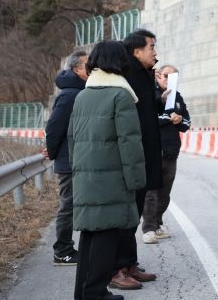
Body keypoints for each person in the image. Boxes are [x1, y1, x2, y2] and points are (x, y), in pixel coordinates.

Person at [68, 40, 146, 300]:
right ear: (119, 61)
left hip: (86, 175)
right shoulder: (120, 95)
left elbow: (72, 138)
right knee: (107, 236)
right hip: (112, 178)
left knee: (90, 235)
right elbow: (129, 143)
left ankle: (84, 293)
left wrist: (78, 170)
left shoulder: (83, 95)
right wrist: (136, 181)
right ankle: (96, 294)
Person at [110, 29, 162, 290]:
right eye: (151, 47)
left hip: (145, 156)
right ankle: (116, 269)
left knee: (135, 213)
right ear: (136, 51)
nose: (155, 52)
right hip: (132, 158)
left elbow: (148, 112)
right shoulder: (126, 77)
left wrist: (160, 94)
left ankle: (129, 263)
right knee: (125, 215)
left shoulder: (143, 74)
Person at [45, 50, 88, 266]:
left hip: (76, 158)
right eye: (87, 65)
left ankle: (69, 249)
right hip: (68, 160)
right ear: (77, 69)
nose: (92, 68)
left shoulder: (79, 91)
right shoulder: (70, 94)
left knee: (74, 205)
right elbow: (54, 128)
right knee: (68, 206)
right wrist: (52, 152)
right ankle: (62, 251)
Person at [141, 65, 190, 244]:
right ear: (158, 76)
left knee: (164, 194)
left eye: (173, 76)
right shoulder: (150, 95)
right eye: (166, 76)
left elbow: (186, 123)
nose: (169, 80)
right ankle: (148, 229)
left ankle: (157, 224)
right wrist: (169, 118)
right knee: (151, 193)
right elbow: (148, 120)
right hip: (154, 151)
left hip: (171, 152)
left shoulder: (178, 97)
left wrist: (179, 120)